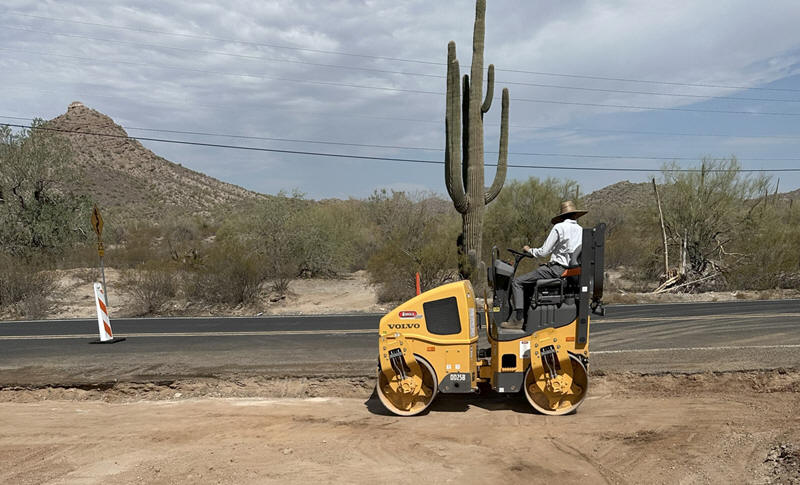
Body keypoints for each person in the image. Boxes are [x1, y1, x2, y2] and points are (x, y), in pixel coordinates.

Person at [501, 200, 587, 329]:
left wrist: (529, 250)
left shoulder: (559, 227)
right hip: (569, 270)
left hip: (556, 269)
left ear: (561, 216)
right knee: (529, 283)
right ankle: (526, 317)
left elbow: (544, 251)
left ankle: (518, 320)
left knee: (517, 282)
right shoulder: (581, 230)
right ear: (575, 215)